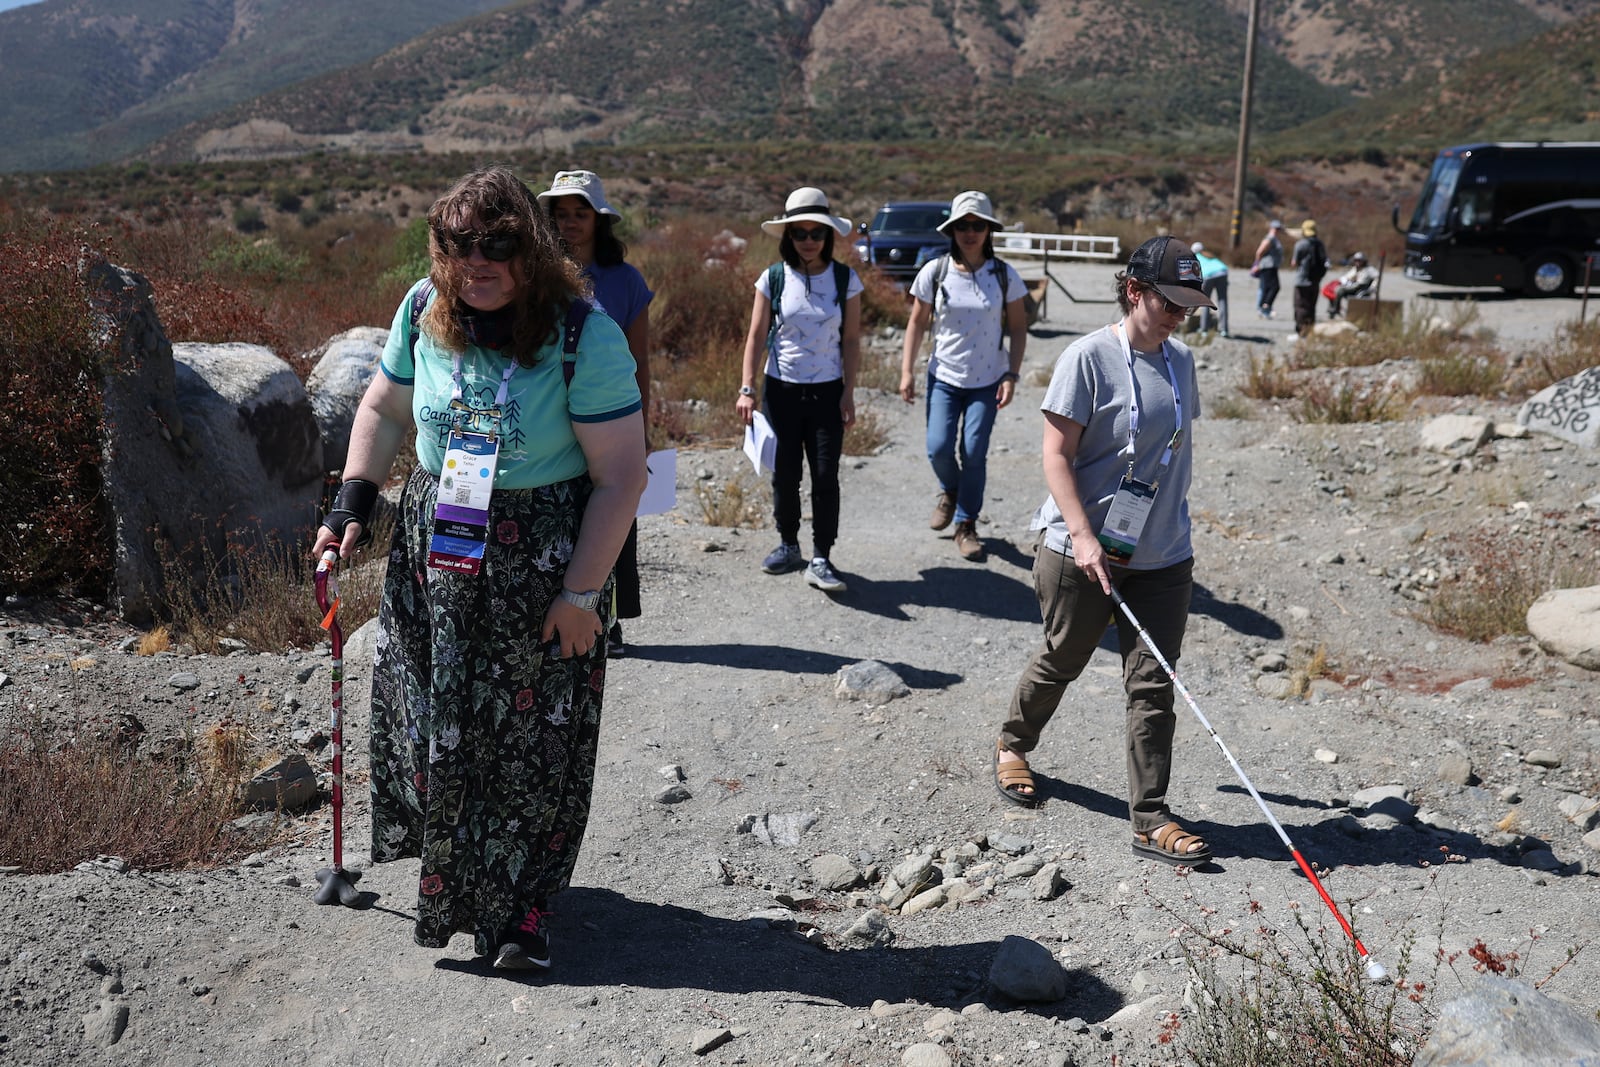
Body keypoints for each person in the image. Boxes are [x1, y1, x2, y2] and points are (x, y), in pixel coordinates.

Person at [314, 166, 647, 971]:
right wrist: (349, 505)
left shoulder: (582, 334)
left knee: (533, 737)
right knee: (431, 716)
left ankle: (522, 911)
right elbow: (385, 408)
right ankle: (461, 879)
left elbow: (623, 475)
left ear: (531, 248)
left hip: (542, 560)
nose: (479, 263)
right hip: (438, 548)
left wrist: (581, 593)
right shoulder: (421, 310)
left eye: (498, 244)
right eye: (460, 246)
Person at [994, 235, 1213, 867]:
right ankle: (1013, 743)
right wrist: (1085, 534)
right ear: (1136, 290)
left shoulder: (1183, 362)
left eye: (1188, 307)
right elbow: (1054, 455)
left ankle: (1150, 819)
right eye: (1170, 302)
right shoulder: (1086, 358)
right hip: (1081, 550)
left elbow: (1170, 451)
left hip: (1164, 554)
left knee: (1153, 688)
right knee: (1064, 656)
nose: (1179, 316)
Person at [538, 170, 653, 657]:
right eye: (560, 215)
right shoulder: (535, 276)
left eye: (579, 213)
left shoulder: (626, 281)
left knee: (615, 513)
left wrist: (642, 432)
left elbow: (639, 361)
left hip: (610, 420)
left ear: (599, 220)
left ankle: (611, 617)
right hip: (552, 423)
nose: (569, 223)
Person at [736, 187, 863, 594]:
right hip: (781, 392)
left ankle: (822, 555)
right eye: (800, 233)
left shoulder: (845, 280)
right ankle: (789, 544)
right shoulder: (773, 278)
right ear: (788, 236)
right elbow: (756, 336)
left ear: (828, 236)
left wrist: (849, 392)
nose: (809, 240)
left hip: (828, 392)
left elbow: (852, 341)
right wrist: (747, 388)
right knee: (785, 474)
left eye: (816, 233)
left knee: (825, 475)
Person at [898, 190, 1028, 562]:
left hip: (987, 381)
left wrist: (1012, 374)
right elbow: (917, 323)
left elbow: (1018, 328)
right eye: (963, 226)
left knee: (974, 452)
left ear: (989, 230)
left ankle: (966, 523)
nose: (970, 232)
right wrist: (907, 371)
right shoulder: (935, 272)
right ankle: (950, 491)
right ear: (952, 230)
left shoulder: (1004, 275)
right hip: (944, 377)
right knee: (938, 447)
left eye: (978, 225)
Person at [1290, 219, 1328, 336]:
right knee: (1311, 306)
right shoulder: (1320, 244)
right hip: (1315, 281)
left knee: (1301, 306)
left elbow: (1294, 262)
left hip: (1302, 281)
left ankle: (1301, 331)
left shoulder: (1301, 244)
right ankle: (1310, 330)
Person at [1191, 241, 1229, 337]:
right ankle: (1224, 329)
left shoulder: (1194, 258)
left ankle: (1204, 329)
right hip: (1223, 272)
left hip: (1208, 276)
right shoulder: (1210, 255)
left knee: (1206, 302)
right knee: (1222, 301)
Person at [1326, 251, 1379, 318]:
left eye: (1359, 260)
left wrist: (1373, 286)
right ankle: (1335, 309)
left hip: (1363, 288)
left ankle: (1336, 309)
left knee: (1340, 290)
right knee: (1336, 290)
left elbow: (1377, 277)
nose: (1357, 262)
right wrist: (1341, 280)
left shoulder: (1369, 269)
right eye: (1356, 260)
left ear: (1364, 261)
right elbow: (1347, 276)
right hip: (1354, 287)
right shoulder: (1355, 269)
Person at [1251, 219, 1285, 318]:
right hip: (1267, 266)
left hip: (1272, 266)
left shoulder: (1275, 238)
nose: (1277, 230)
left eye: (1278, 229)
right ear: (1271, 228)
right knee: (1273, 287)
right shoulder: (1269, 238)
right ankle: (1265, 306)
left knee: (1266, 288)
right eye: (1276, 228)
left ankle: (1264, 308)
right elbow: (1259, 252)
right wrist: (1257, 264)